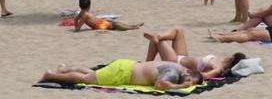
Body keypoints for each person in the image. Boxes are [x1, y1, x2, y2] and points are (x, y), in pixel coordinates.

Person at [142, 26, 245, 80]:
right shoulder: (218, 63)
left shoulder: (218, 68)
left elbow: (205, 76)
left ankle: (146, 63)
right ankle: (158, 36)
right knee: (178, 30)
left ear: (231, 59)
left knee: (159, 42)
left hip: (175, 63)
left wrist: (188, 74)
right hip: (181, 57)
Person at [41, 60, 202, 91]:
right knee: (86, 80)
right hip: (123, 73)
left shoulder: (178, 67)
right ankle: (52, 75)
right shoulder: (174, 74)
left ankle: (64, 69)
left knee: (94, 74)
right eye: (189, 80)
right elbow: (160, 85)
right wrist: (181, 86)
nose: (189, 83)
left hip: (126, 65)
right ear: (187, 72)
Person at [74, 0, 142, 31]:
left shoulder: (81, 13)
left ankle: (132, 26)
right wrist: (77, 28)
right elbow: (79, 26)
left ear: (80, 5)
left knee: (114, 23)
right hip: (99, 25)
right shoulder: (85, 15)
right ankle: (132, 28)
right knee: (115, 24)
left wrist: (76, 25)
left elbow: (75, 19)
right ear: (89, 6)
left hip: (99, 23)